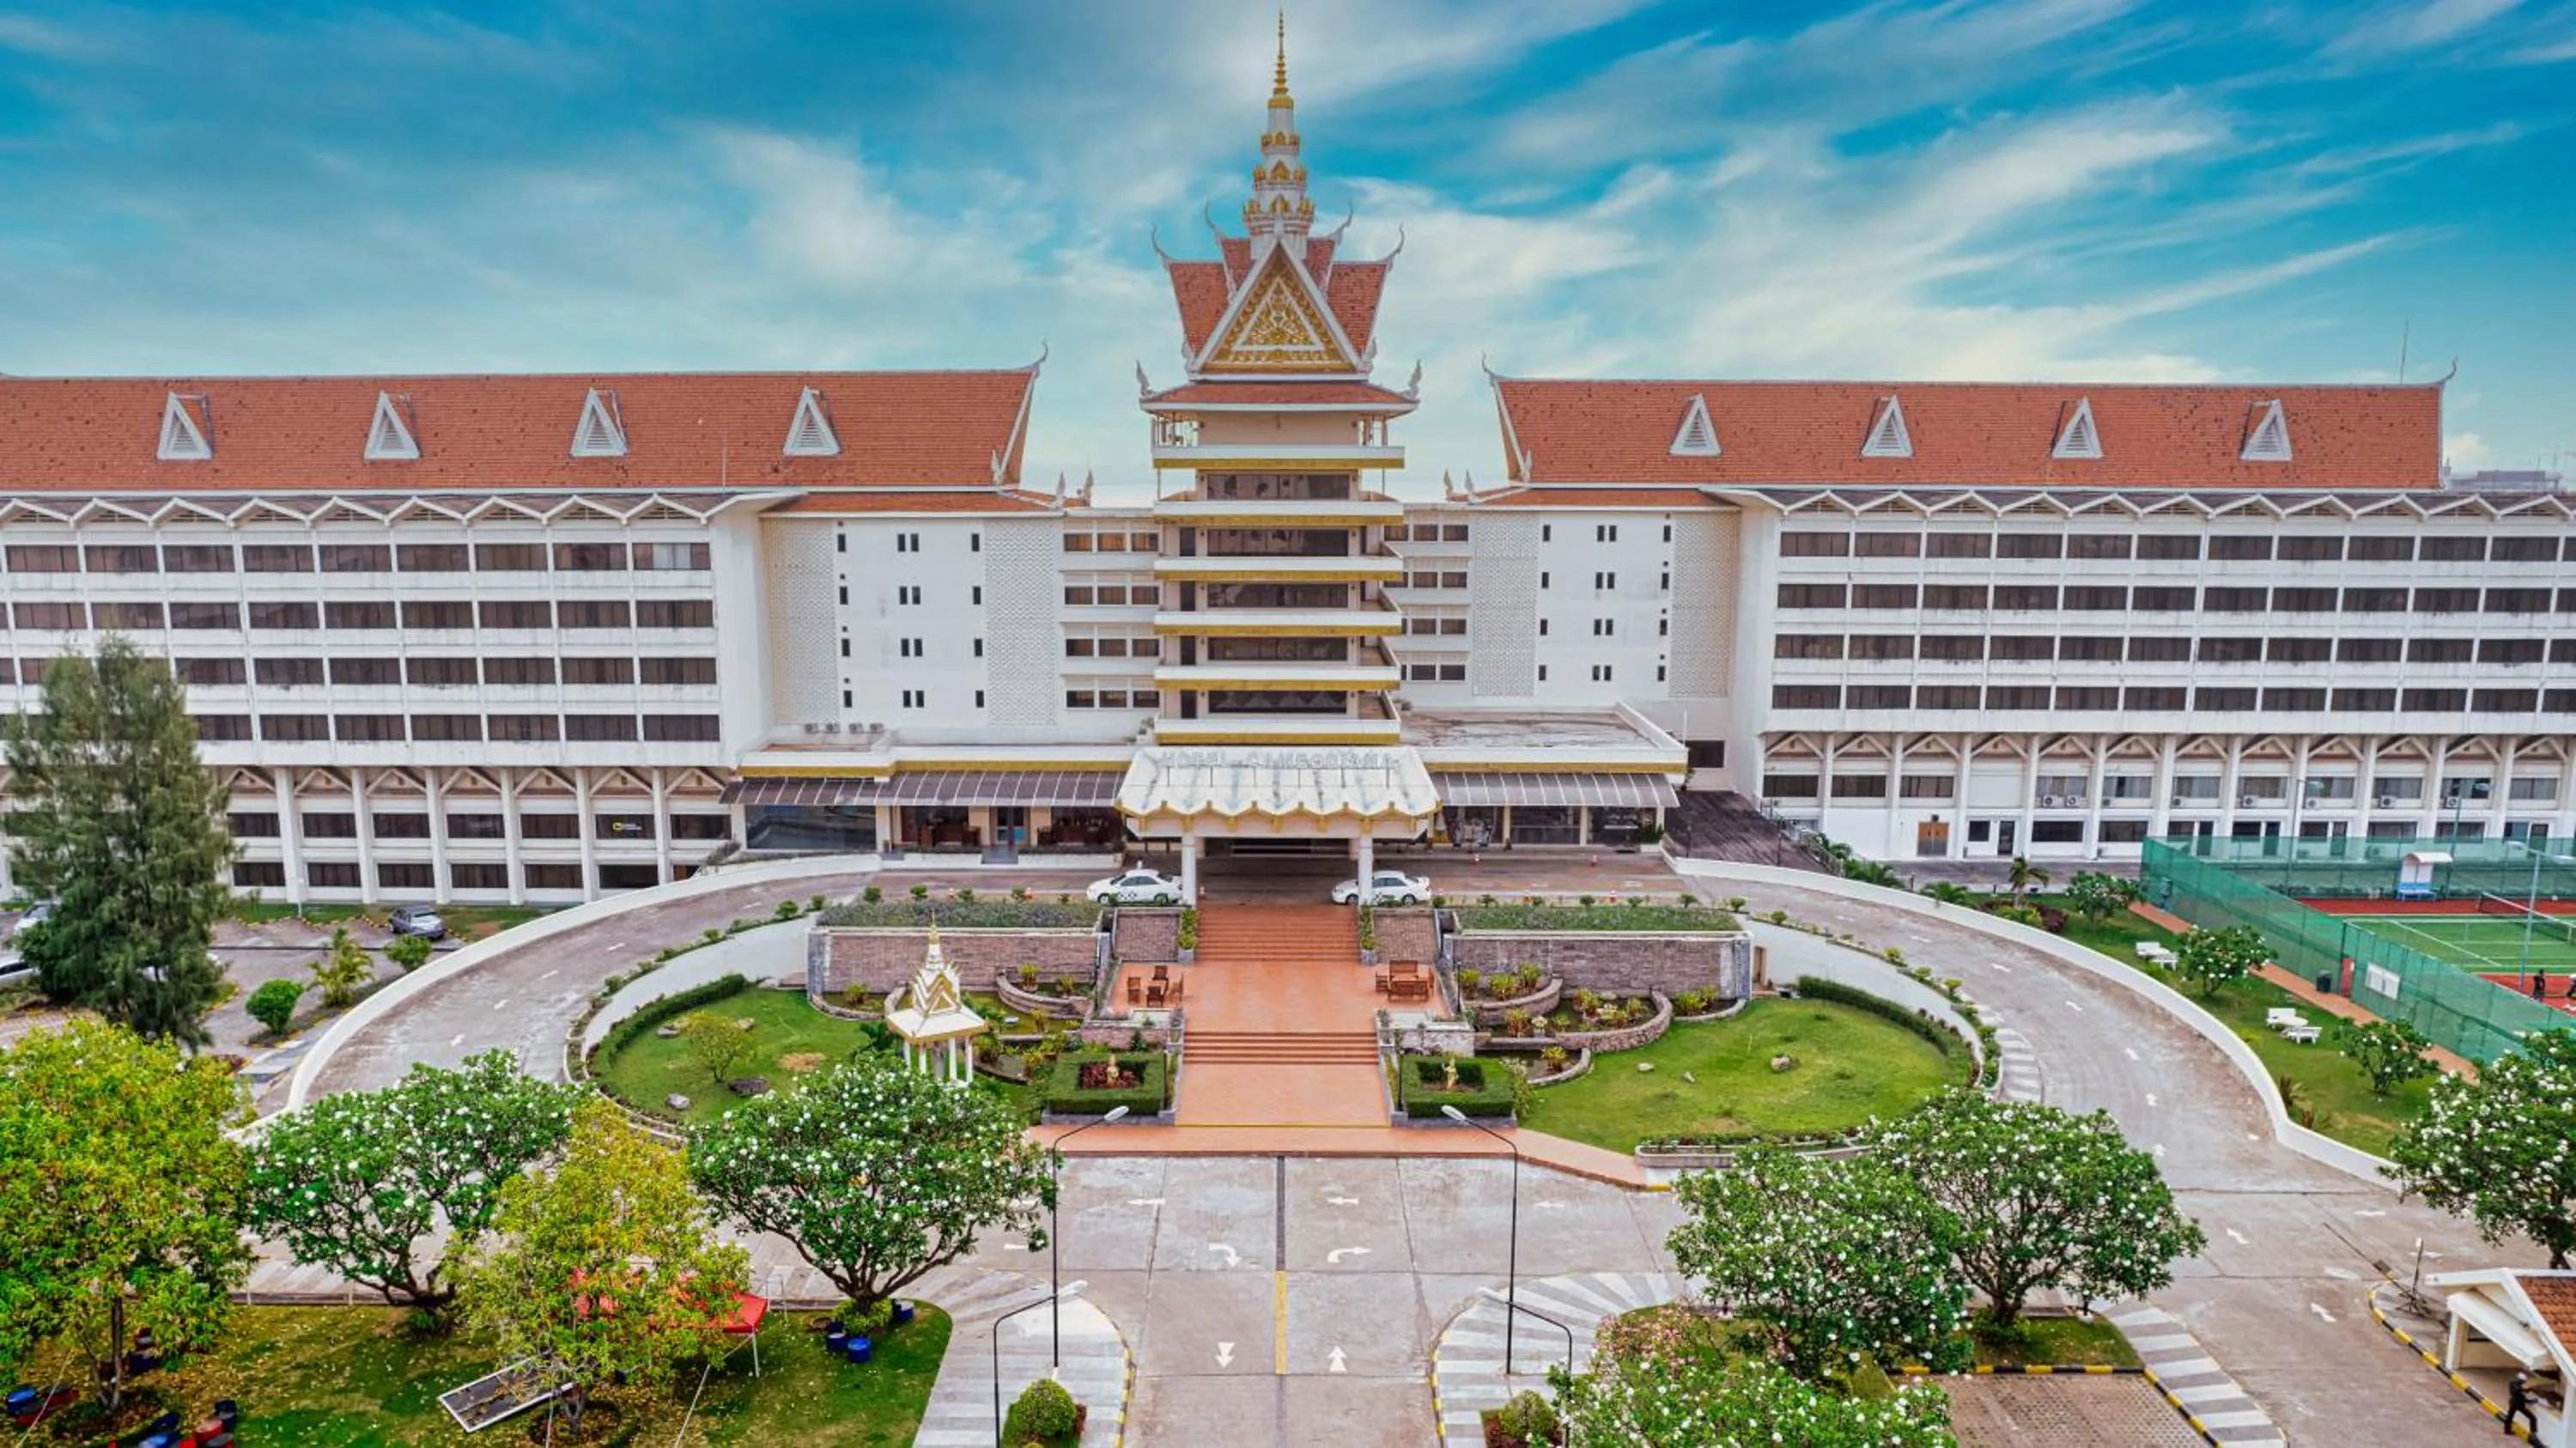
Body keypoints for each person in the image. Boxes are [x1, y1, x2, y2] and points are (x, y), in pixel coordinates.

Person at [2505, 1370, 2537, 1436]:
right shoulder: (2516, 1387)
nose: (2523, 1383)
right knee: (2532, 1418)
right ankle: (2533, 1433)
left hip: (2513, 1403)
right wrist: (2531, 1400)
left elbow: (2519, 1391)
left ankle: (2507, 1430)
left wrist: (2527, 1390)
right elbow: (2518, 1393)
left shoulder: (2513, 1384)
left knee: (2509, 1417)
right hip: (2518, 1405)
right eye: (2523, 1381)